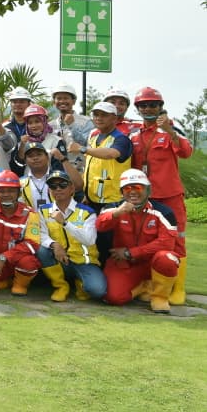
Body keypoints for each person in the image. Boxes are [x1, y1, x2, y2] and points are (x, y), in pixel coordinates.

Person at [130, 86, 193, 305]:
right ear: (138, 109)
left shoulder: (171, 128)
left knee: (178, 240)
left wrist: (170, 131)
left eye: (153, 105)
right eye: (144, 105)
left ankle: (179, 288)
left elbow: (186, 152)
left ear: (160, 107)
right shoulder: (135, 134)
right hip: (146, 197)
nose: (148, 109)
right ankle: (153, 285)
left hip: (171, 196)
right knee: (149, 240)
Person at [98, 169, 180, 314]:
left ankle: (160, 297)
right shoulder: (113, 208)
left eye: (138, 187)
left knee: (167, 258)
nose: (133, 192)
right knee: (114, 297)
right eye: (128, 188)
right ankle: (143, 287)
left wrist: (131, 252)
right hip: (124, 264)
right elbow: (100, 225)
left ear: (148, 190)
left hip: (152, 263)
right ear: (122, 192)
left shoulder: (164, 212)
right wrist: (118, 213)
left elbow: (167, 243)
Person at [36, 169, 106, 302]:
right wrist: (54, 244)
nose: (58, 189)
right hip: (59, 259)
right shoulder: (44, 210)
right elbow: (42, 235)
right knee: (41, 250)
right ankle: (61, 286)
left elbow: (90, 239)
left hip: (83, 262)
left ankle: (80, 283)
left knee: (98, 291)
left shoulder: (87, 212)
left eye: (62, 185)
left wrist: (65, 223)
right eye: (53, 186)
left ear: (72, 188)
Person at [80, 101, 133, 261]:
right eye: (96, 114)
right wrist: (86, 193)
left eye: (104, 115)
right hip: (92, 199)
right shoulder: (94, 135)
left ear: (114, 119)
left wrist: (83, 148)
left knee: (108, 242)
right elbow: (91, 166)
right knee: (93, 240)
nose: (99, 118)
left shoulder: (122, 139)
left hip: (112, 201)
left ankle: (109, 278)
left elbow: (112, 153)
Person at [49, 83, 94, 174]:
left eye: (66, 98)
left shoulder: (86, 122)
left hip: (80, 172)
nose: (62, 101)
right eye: (59, 98)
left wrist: (72, 125)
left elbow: (90, 144)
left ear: (73, 101)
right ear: (54, 102)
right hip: (57, 174)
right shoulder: (50, 125)